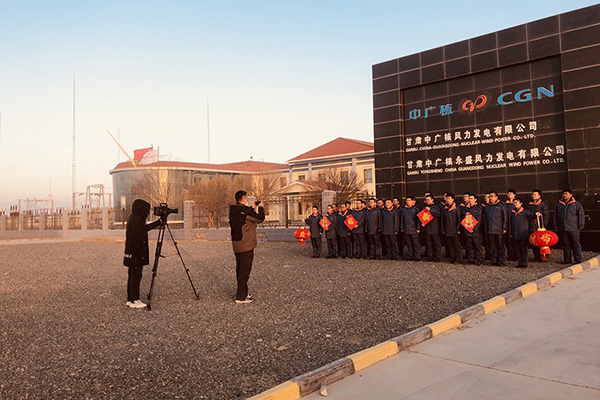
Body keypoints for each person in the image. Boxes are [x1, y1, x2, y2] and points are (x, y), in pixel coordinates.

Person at [123, 199, 162, 309]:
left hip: (130, 253)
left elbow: (143, 229)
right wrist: (142, 255)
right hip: (135, 254)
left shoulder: (134, 218)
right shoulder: (137, 220)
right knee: (136, 276)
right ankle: (135, 300)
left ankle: (130, 299)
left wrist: (158, 223)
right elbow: (137, 239)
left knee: (131, 276)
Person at [229, 190, 265, 304]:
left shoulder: (233, 210)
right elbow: (259, 218)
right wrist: (261, 208)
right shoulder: (244, 211)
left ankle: (242, 291)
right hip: (246, 244)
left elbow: (244, 214)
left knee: (239, 269)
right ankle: (241, 297)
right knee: (245, 270)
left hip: (237, 243)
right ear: (244, 199)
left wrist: (251, 207)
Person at [554, 189, 585, 264]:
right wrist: (556, 224)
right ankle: (567, 259)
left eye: (566, 194)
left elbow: (581, 215)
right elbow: (555, 215)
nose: (565, 195)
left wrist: (581, 224)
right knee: (565, 244)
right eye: (563, 194)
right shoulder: (558, 204)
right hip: (563, 227)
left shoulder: (576, 204)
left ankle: (578, 259)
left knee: (575, 243)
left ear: (571, 195)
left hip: (573, 227)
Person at [508, 198, 538, 268]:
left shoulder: (525, 212)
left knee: (523, 249)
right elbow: (510, 223)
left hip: (523, 234)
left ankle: (524, 263)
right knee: (517, 250)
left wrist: (535, 215)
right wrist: (510, 232)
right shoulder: (512, 212)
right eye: (514, 203)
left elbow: (531, 216)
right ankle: (519, 262)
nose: (515, 204)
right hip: (515, 234)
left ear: (521, 203)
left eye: (517, 203)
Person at [485, 191, 508, 266]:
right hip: (491, 229)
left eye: (491, 196)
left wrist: (504, 228)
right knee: (493, 246)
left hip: (499, 229)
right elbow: (485, 218)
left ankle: (501, 261)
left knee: (500, 245)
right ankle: (494, 260)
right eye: (489, 197)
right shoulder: (487, 206)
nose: (490, 198)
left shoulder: (501, 206)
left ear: (496, 197)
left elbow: (505, 217)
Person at [527, 189, 550, 262]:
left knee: (542, 242)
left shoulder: (543, 204)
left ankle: (544, 256)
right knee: (534, 242)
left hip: (540, 226)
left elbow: (546, 215)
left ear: (539, 196)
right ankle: (536, 256)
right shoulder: (529, 204)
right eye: (532, 194)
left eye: (535, 195)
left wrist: (544, 225)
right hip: (531, 225)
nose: (533, 196)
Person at [462, 194, 485, 266]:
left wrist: (474, 229)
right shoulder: (466, 209)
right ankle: (471, 259)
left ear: (475, 200)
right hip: (468, 231)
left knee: (477, 246)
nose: (470, 200)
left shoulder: (479, 209)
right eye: (469, 198)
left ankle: (479, 260)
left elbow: (479, 220)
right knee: (469, 246)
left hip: (476, 232)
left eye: (471, 198)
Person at [442, 193, 462, 263]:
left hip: (454, 230)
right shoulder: (445, 209)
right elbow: (442, 220)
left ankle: (458, 258)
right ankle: (452, 257)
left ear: (453, 199)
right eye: (447, 199)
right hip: (447, 230)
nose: (448, 200)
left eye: (449, 199)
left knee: (456, 245)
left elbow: (459, 219)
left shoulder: (457, 208)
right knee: (450, 245)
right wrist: (443, 229)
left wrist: (458, 229)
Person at [421, 194, 442, 262]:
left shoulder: (436, 207)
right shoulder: (424, 207)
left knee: (436, 244)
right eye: (426, 200)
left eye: (428, 200)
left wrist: (430, 209)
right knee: (428, 244)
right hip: (427, 229)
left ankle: (437, 257)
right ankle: (430, 257)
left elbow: (438, 213)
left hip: (434, 229)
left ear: (432, 200)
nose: (427, 201)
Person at [402, 196, 421, 261]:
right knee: (409, 244)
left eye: (409, 200)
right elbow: (402, 219)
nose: (407, 202)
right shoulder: (404, 209)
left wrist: (418, 228)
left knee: (415, 244)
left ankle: (416, 257)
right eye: (407, 200)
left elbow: (418, 220)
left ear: (413, 202)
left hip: (414, 230)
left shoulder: (416, 209)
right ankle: (410, 256)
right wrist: (402, 227)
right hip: (406, 229)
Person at [504, 189, 517, 261]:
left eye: (511, 193)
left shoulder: (516, 203)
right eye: (508, 193)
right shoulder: (505, 204)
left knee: (514, 241)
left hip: (514, 224)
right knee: (508, 242)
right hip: (507, 224)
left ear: (514, 195)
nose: (509, 194)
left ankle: (516, 255)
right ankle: (510, 255)